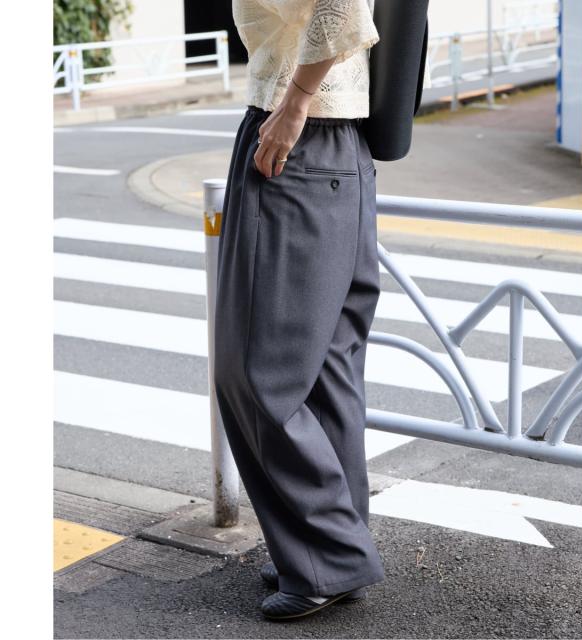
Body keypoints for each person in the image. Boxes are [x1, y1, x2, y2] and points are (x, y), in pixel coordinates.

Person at [214, 0, 384, 620]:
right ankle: (329, 552)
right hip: (334, 145)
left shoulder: (294, 111)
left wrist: (294, 104)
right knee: (325, 368)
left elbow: (342, 7)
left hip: (297, 135)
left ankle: (329, 554)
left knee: (257, 370)